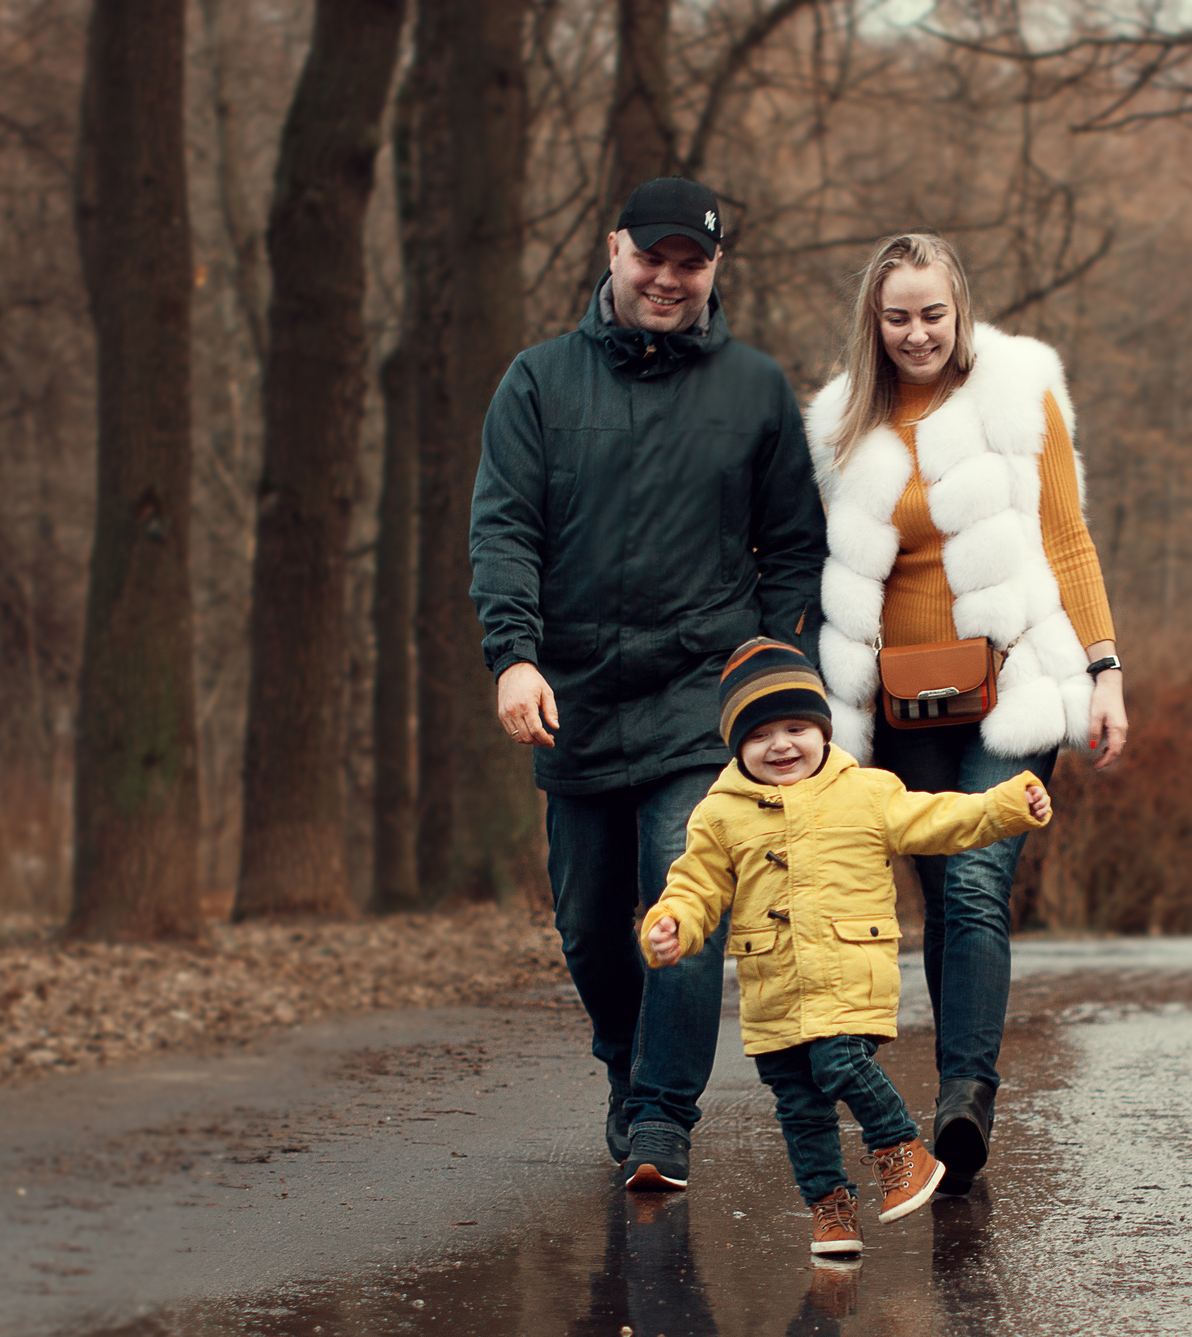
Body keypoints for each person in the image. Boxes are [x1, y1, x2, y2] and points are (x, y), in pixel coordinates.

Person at [470, 178, 828, 1190]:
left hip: (697, 697)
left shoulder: (753, 389)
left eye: (692, 263)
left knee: (684, 895)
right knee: (589, 923)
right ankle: (628, 1072)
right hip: (573, 694)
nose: (669, 279)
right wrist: (515, 655)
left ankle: (665, 1115)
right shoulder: (538, 383)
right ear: (615, 250)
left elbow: (794, 545)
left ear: (715, 270)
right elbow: (504, 530)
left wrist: (768, 665)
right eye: (652, 258)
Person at [800, 232, 1127, 1195]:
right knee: (939, 898)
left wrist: (1104, 670)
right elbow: (818, 574)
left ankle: (964, 1097)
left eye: (933, 314)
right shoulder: (838, 427)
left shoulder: (1019, 393)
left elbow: (1067, 538)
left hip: (1012, 689)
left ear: (961, 308)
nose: (916, 334)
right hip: (896, 709)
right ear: (875, 319)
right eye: (897, 316)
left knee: (978, 883)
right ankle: (958, 1085)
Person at [640, 640, 1052, 1252]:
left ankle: (901, 1148)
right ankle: (831, 1210)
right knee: (797, 1103)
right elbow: (696, 885)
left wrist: (1004, 806)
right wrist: (672, 922)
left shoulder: (866, 791)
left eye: (796, 727)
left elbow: (936, 820)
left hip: (846, 972)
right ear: (736, 746)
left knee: (838, 1062)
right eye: (760, 735)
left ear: (824, 731)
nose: (780, 745)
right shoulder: (719, 814)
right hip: (772, 989)